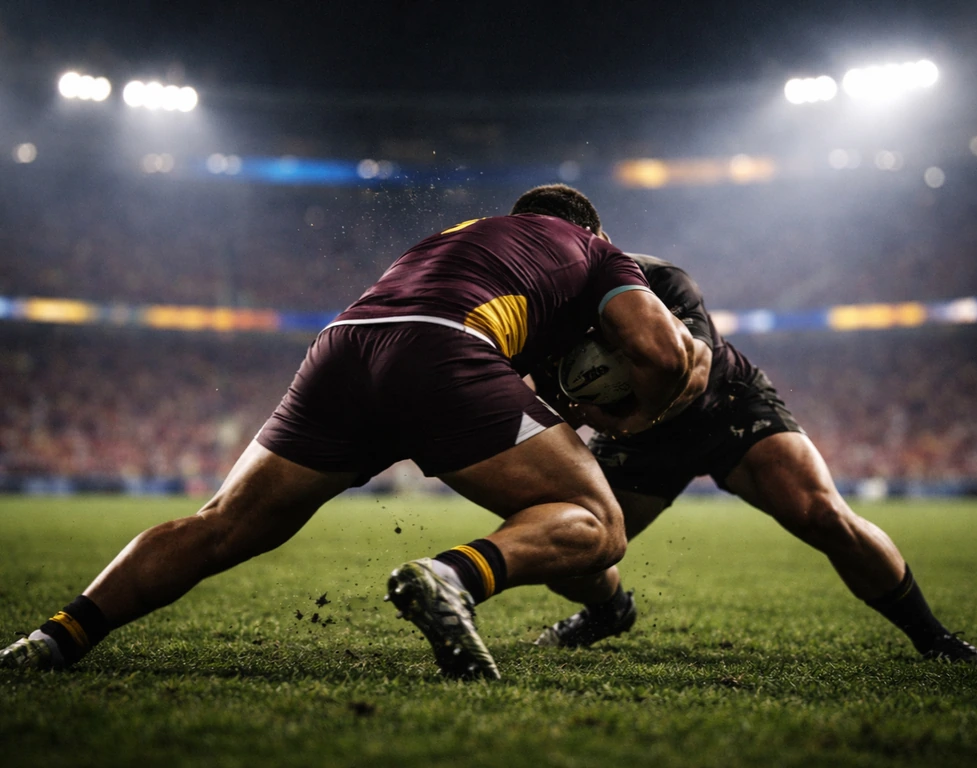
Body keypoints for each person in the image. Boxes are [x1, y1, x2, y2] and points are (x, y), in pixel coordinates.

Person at [0, 185, 696, 681]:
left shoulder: (463, 237)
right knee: (601, 524)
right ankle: (449, 577)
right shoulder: (598, 254)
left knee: (220, 525)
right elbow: (663, 354)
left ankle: (53, 640)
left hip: (344, 346)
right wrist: (634, 420)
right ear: (594, 233)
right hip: (442, 350)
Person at [529, 247, 977, 665]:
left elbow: (694, 374)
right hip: (635, 437)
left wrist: (619, 422)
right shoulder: (543, 317)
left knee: (823, 514)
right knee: (573, 549)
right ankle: (609, 611)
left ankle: (935, 640)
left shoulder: (659, 279)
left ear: (594, 239)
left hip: (725, 405)